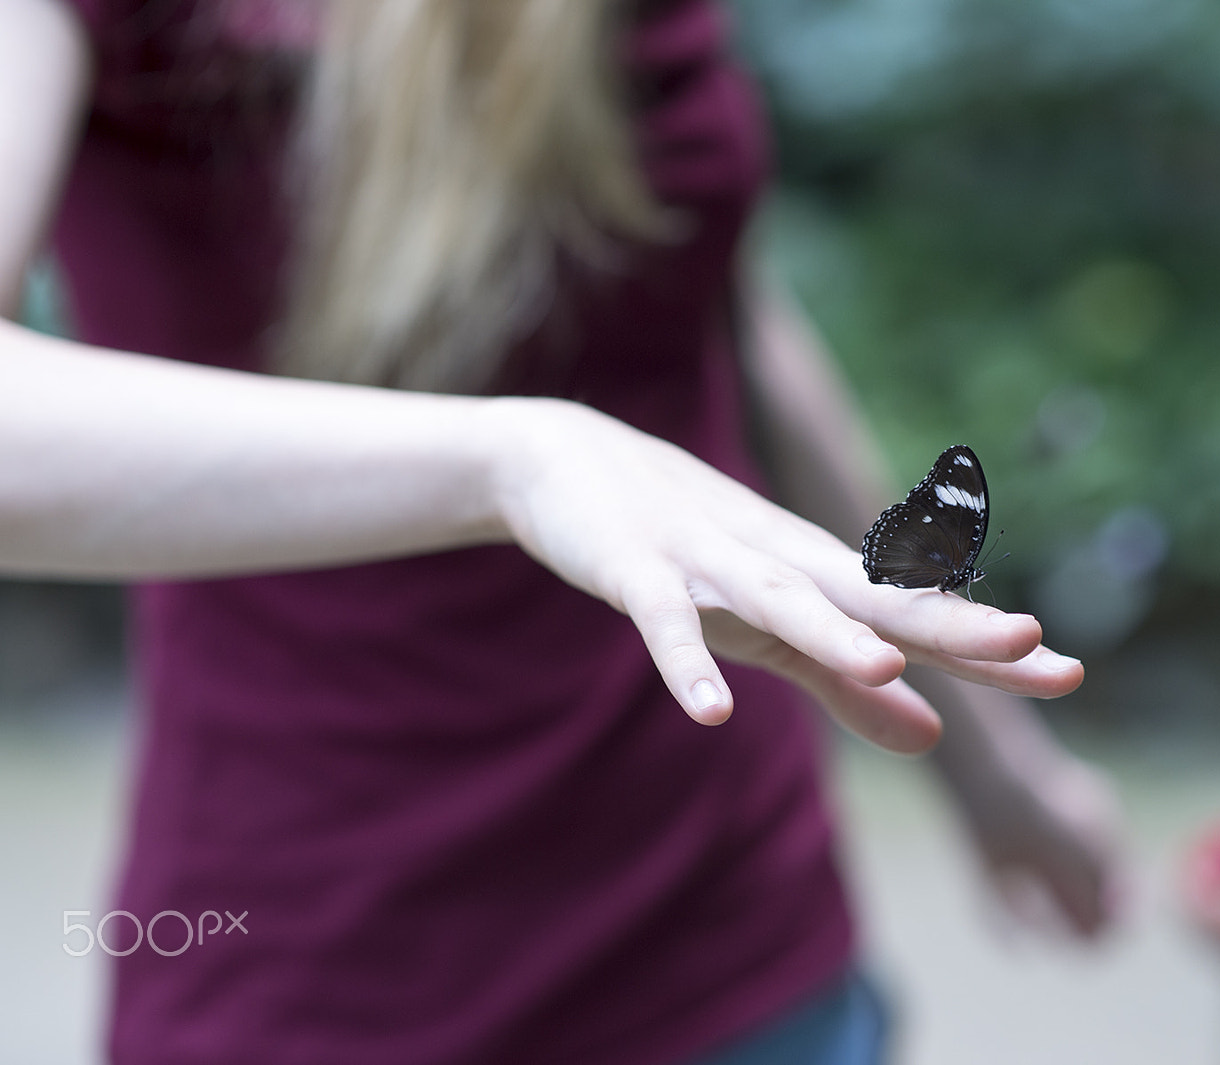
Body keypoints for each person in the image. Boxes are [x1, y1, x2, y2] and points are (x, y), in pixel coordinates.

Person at [0, 0, 1121, 1062]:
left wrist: (987, 761)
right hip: (327, 965)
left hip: (737, 943)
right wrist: (515, 462)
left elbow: (708, 302)